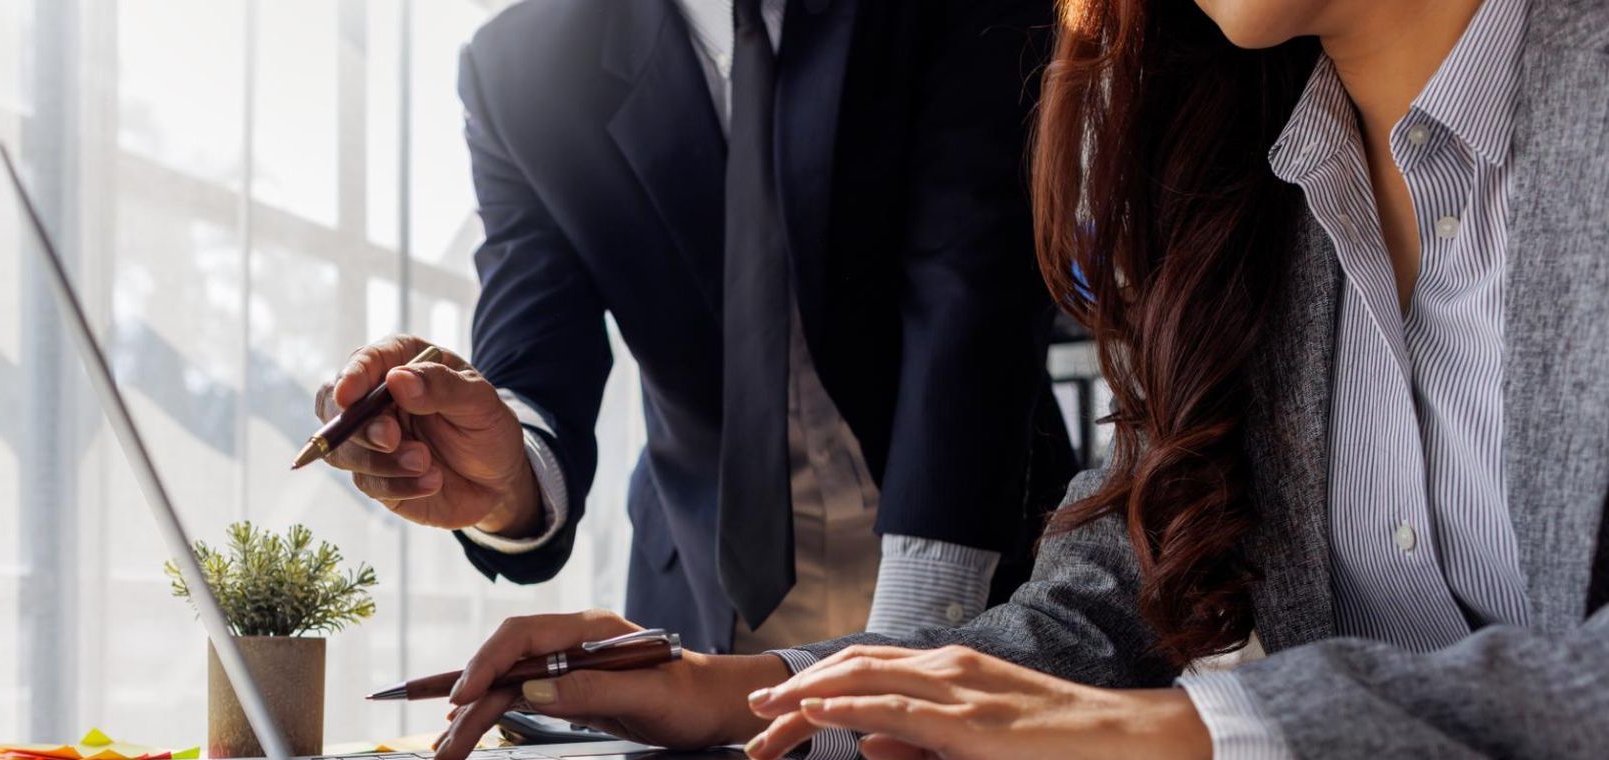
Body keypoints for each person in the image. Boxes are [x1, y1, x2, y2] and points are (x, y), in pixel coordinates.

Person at [429, 0, 1609, 760]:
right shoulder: (1229, 194)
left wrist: (1215, 727)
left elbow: (962, 303)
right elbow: (1105, 600)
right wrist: (738, 691)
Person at [314, 0, 1076, 656]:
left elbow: (973, 294)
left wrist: (912, 649)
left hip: (981, 582)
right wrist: (503, 478)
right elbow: (536, 358)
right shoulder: (520, 69)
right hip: (700, 627)